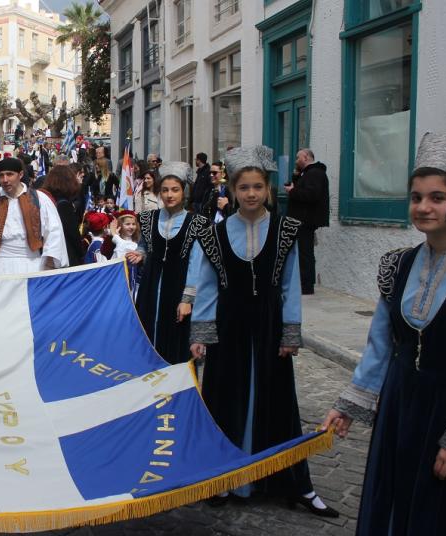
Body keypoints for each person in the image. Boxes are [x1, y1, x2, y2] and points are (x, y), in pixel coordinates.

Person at [322, 133, 446, 535]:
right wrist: (352, 401)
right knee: (392, 500)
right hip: (399, 405)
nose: (423, 207)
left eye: (437, 197)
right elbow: (381, 343)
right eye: (416, 197)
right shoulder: (398, 264)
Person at [189, 146, 336, 516]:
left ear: (268, 188)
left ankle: (293, 483)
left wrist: (290, 332)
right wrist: (201, 333)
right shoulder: (216, 234)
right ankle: (223, 479)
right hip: (229, 327)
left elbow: (290, 285)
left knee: (278, 402)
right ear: (233, 191)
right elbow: (208, 285)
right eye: (244, 188)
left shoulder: (286, 230)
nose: (251, 194)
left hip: (269, 327)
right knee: (225, 400)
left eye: (257, 187)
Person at [128, 162, 205, 364]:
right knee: (146, 338)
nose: (169, 195)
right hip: (150, 287)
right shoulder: (148, 218)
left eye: (175, 190)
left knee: (174, 344)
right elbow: (144, 246)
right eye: (165, 190)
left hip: (177, 289)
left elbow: (196, 264)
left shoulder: (196, 223)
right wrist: (140, 254)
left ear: (184, 192)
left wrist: (187, 299)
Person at [0, 157, 68, 274]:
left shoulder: (40, 199)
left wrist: (49, 263)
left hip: (32, 265)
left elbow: (54, 232)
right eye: (1, 175)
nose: (5, 180)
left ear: (20, 174)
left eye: (9, 174)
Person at [285, 148, 330, 295]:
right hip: (303, 219)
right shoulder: (308, 173)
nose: (296, 161)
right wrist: (296, 178)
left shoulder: (315, 173)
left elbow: (311, 195)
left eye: (298, 158)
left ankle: (306, 286)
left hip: (306, 220)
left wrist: (292, 191)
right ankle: (303, 283)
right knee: (303, 252)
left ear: (305, 157)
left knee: (305, 253)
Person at [42, 165, 86, 267]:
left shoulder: (48, 201)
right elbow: (73, 234)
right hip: (66, 255)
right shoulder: (64, 205)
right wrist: (81, 253)